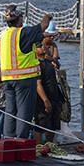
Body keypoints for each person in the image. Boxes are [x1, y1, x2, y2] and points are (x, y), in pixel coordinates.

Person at [0, 5, 53, 139]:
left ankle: (8, 139)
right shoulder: (23, 33)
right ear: (19, 20)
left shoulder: (5, 35)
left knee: (10, 111)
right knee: (24, 112)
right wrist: (48, 16)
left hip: (7, 79)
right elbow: (43, 25)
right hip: (23, 78)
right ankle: (20, 141)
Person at [33, 22, 64, 150]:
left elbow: (56, 62)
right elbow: (38, 83)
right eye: (40, 46)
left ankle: (49, 145)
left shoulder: (48, 62)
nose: (43, 48)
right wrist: (45, 100)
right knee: (40, 124)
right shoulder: (35, 65)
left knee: (53, 124)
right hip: (42, 99)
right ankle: (38, 146)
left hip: (54, 96)